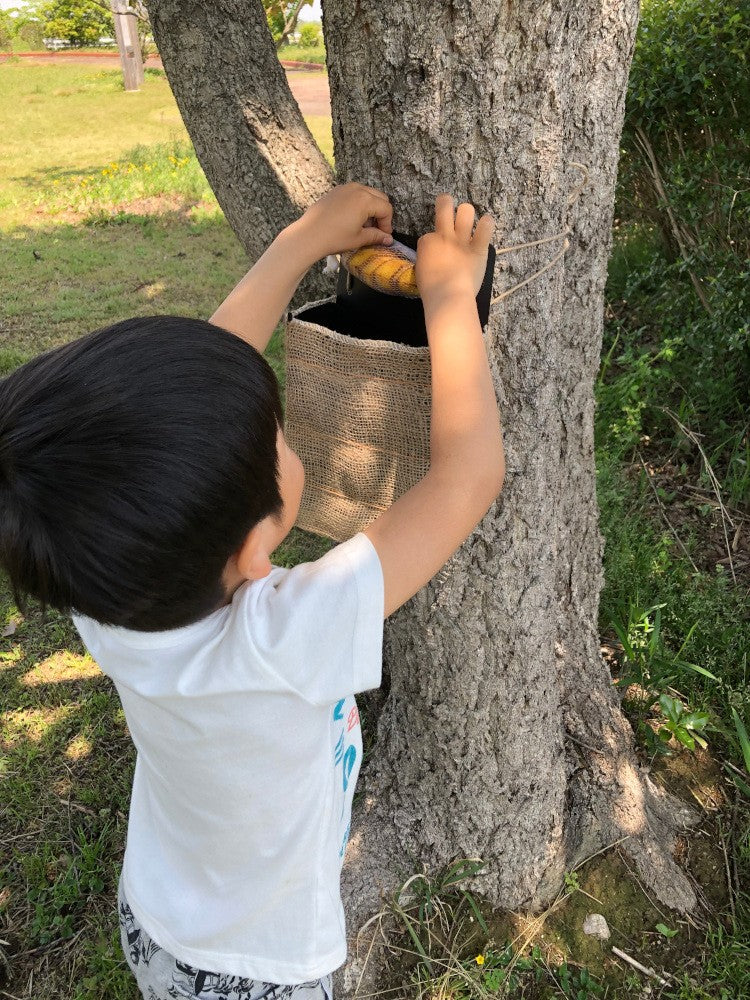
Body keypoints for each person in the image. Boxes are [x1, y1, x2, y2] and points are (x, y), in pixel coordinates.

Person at [0, 182, 504, 999]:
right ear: (252, 545)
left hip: (156, 921)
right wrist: (452, 297)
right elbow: (466, 478)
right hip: (262, 974)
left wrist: (304, 239)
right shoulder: (286, 635)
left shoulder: (102, 594)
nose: (277, 429)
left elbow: (194, 403)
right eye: (276, 434)